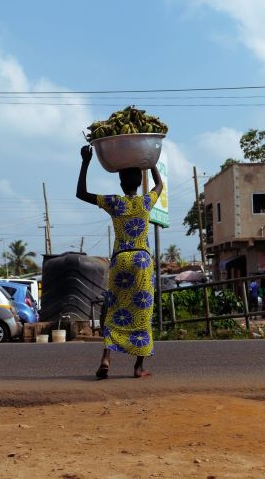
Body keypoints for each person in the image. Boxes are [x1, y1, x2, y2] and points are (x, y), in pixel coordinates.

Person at [76, 145, 163, 379]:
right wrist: (151, 160)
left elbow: (81, 193)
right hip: (142, 260)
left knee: (114, 309)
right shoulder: (145, 202)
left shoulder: (115, 202)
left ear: (121, 184)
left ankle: (106, 358)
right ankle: (138, 367)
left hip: (120, 260)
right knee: (143, 312)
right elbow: (160, 186)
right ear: (138, 182)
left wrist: (86, 161)